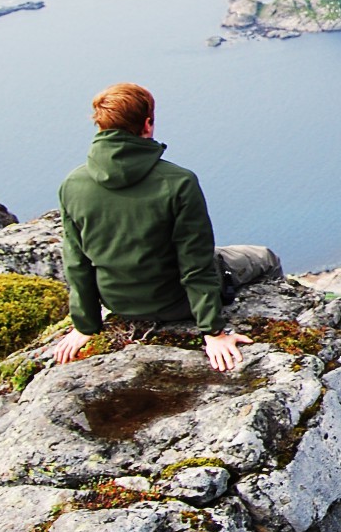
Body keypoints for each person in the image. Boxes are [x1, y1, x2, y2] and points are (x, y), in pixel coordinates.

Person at [52, 82, 276, 372]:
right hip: (176, 302)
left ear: (101, 126)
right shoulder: (178, 181)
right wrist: (213, 332)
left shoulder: (72, 184)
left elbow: (76, 262)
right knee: (265, 257)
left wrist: (85, 326)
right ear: (147, 124)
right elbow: (195, 263)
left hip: (119, 303)